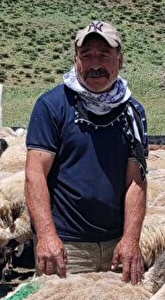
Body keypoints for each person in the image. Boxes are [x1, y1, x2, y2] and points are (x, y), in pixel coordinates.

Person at [24, 20, 148, 285]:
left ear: (119, 60)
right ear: (76, 60)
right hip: (67, 248)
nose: (95, 64)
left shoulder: (132, 112)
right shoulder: (52, 106)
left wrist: (131, 239)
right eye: (86, 55)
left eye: (104, 55)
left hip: (117, 246)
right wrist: (46, 236)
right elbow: (35, 173)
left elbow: (136, 180)